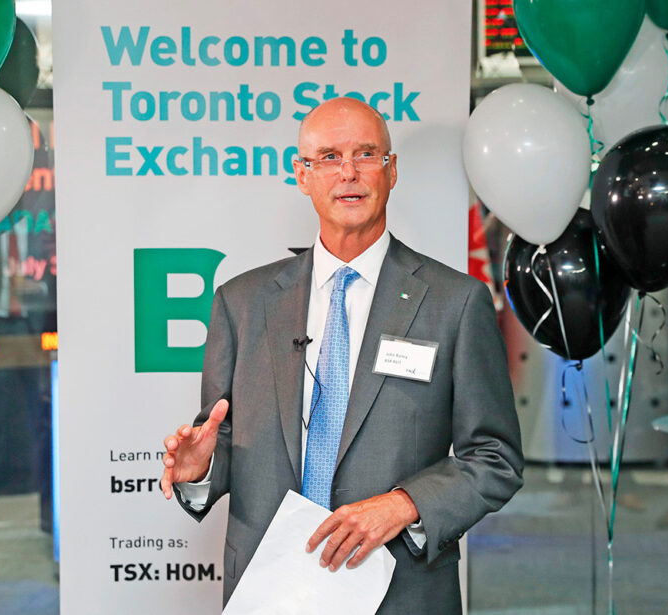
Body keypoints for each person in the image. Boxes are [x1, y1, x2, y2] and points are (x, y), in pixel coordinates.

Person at [160, 97, 523, 614]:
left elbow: (494, 457)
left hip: (399, 588)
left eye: (366, 154)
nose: (348, 172)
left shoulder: (455, 303)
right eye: (329, 157)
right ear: (302, 175)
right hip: (270, 586)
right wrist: (202, 467)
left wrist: (405, 504)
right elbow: (225, 436)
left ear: (391, 170)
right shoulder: (241, 303)